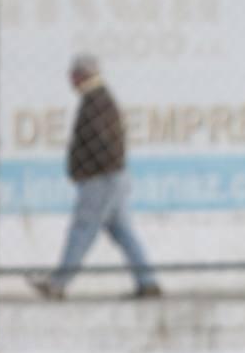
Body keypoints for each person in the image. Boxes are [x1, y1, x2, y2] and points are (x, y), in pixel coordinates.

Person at [28, 55, 161, 300]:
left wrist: (84, 170)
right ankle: (148, 281)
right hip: (111, 177)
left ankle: (58, 284)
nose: (70, 81)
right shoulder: (99, 98)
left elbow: (101, 143)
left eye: (73, 75)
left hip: (101, 180)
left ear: (82, 75)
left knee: (82, 230)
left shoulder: (95, 101)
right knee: (123, 232)